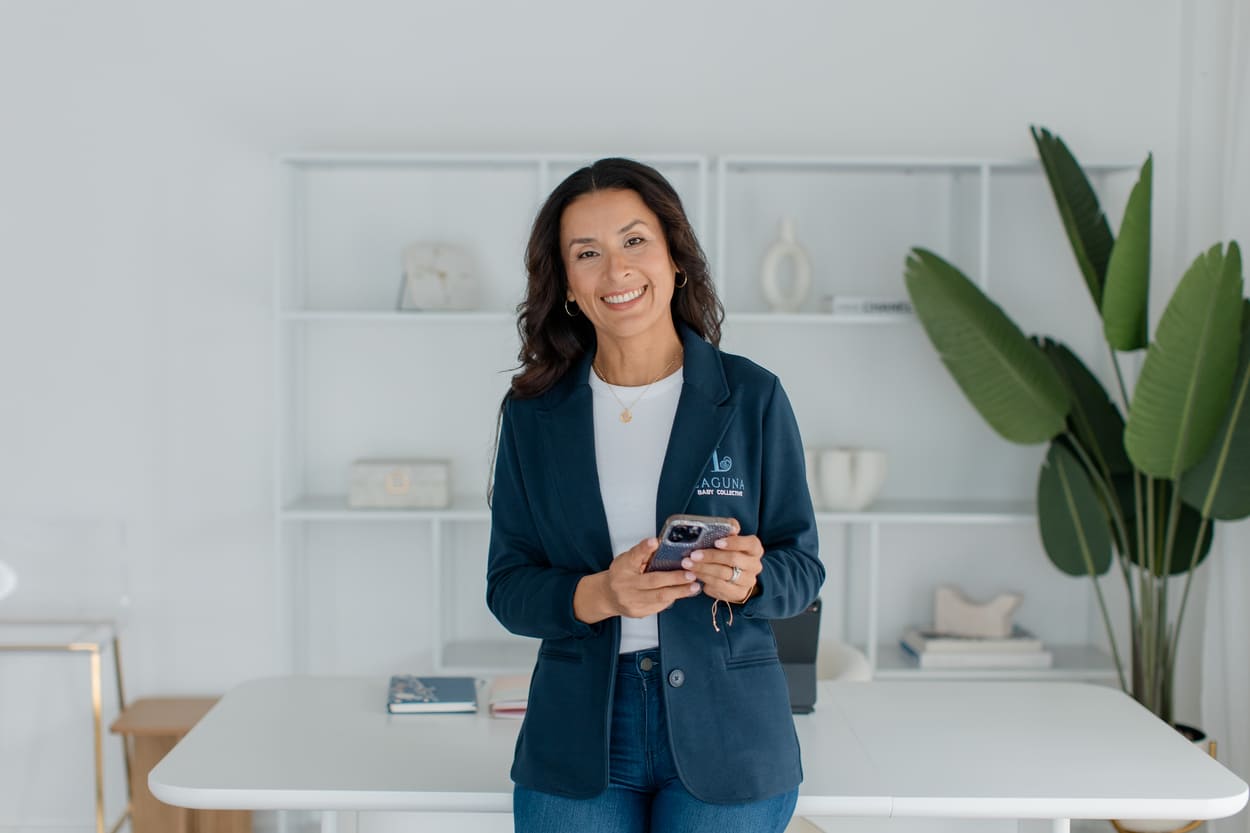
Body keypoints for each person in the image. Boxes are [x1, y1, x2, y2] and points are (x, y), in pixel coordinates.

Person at [486, 157, 823, 833]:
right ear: (569, 288)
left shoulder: (751, 396)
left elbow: (803, 566)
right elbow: (510, 585)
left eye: (635, 241)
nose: (616, 271)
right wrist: (601, 594)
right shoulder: (534, 414)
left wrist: (750, 580)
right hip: (579, 736)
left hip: (730, 732)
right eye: (588, 253)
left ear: (675, 258)